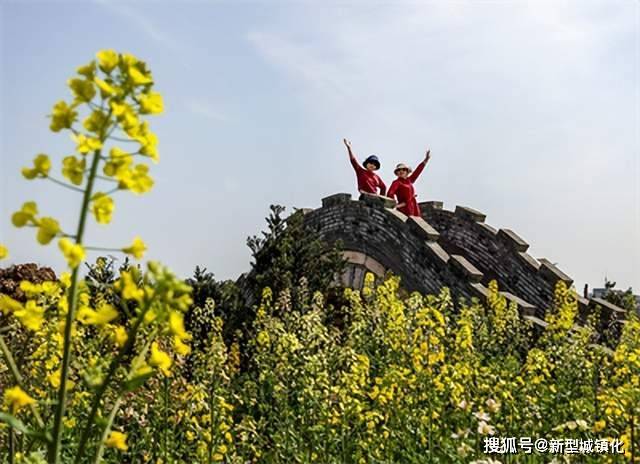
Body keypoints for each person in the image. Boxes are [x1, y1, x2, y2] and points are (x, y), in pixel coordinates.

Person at [387, 149, 432, 216]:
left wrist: (426, 160)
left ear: (407, 172)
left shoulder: (410, 180)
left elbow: (418, 171)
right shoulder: (396, 182)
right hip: (404, 210)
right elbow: (390, 194)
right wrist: (395, 205)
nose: (401, 171)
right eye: (399, 170)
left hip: (413, 207)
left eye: (403, 169)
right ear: (396, 173)